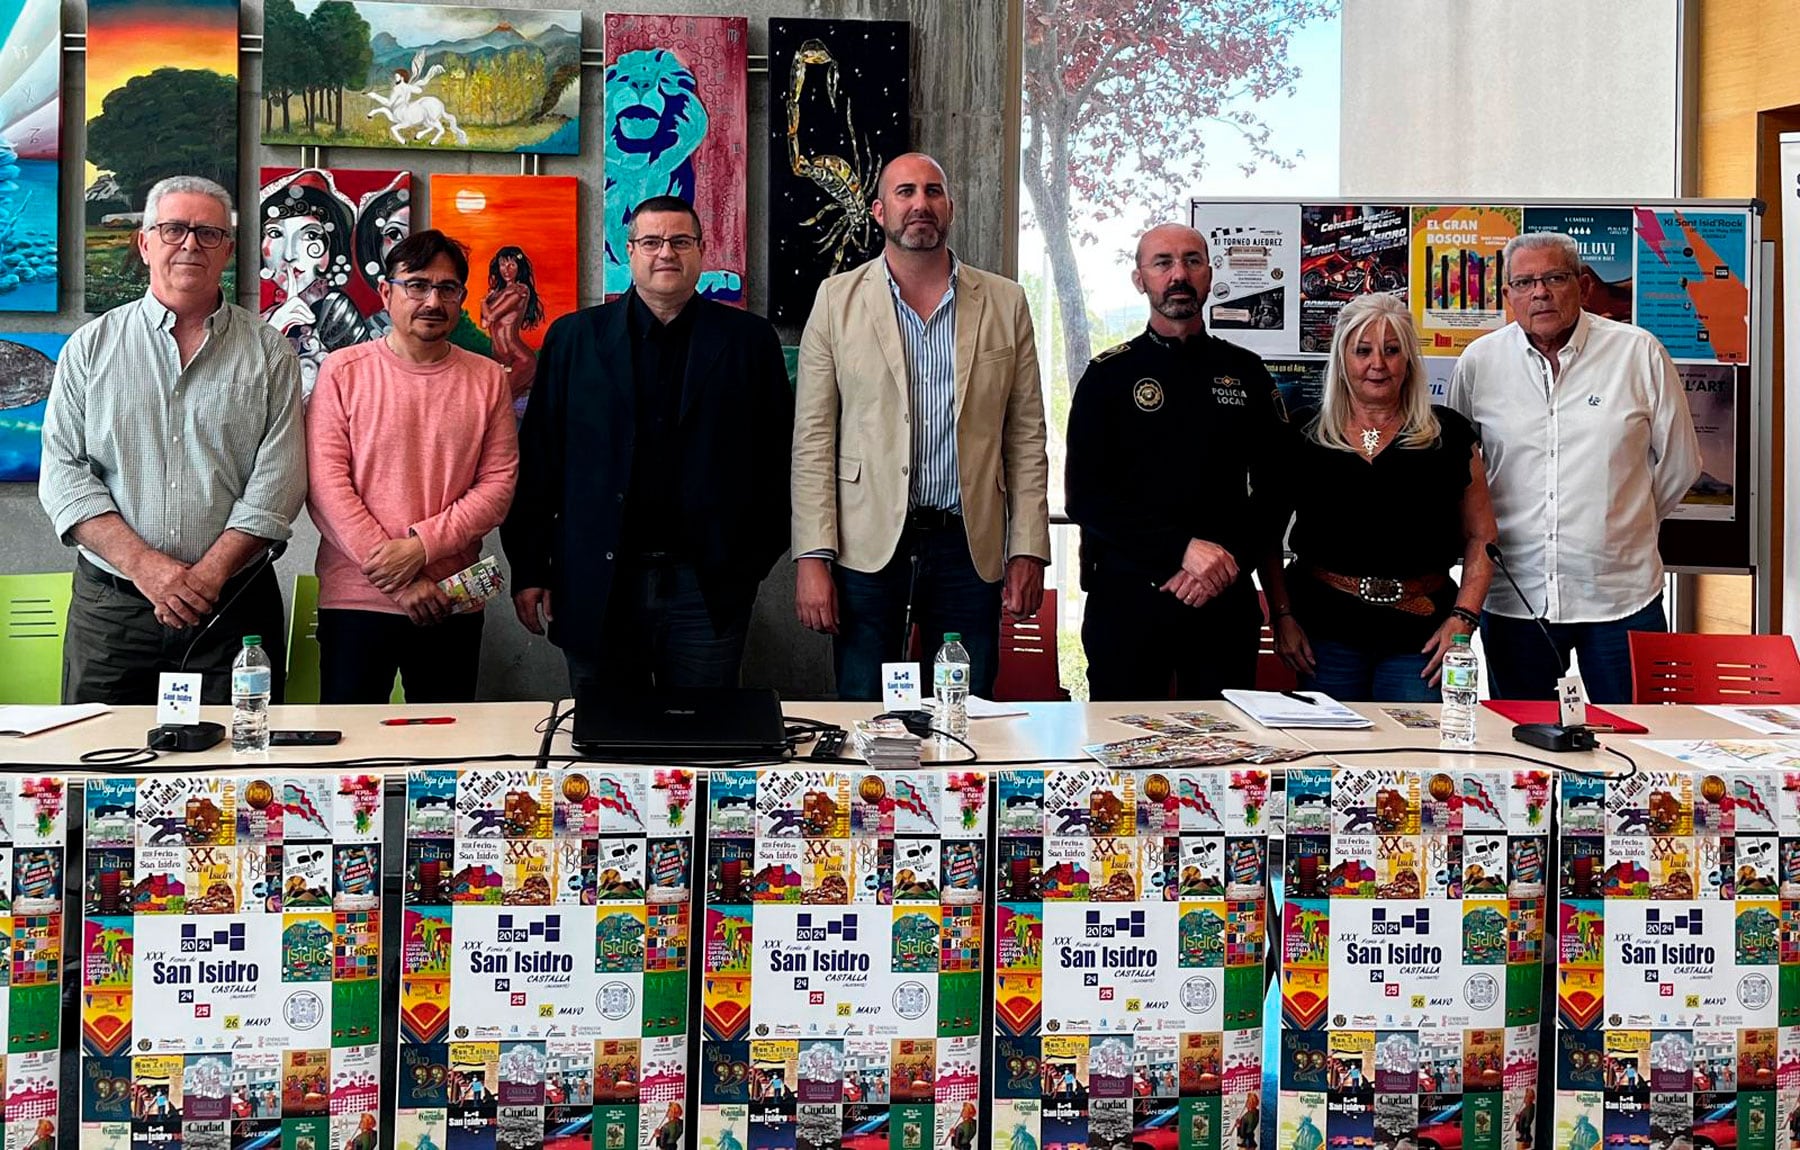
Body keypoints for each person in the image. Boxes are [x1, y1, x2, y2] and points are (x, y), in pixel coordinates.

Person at [503, 195, 792, 695]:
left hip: (707, 587)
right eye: (652, 242)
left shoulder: (749, 341)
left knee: (705, 749)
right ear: (630, 252)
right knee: (606, 752)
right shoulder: (574, 339)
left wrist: (749, 566)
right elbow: (538, 465)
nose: (667, 254)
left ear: (702, 251)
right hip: (596, 583)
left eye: (681, 241)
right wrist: (530, 568)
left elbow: (779, 463)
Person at [792, 152, 1051, 699]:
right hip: (866, 547)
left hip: (968, 544)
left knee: (968, 714)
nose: (920, 205)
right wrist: (813, 557)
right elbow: (813, 439)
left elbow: (1026, 436)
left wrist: (1028, 548)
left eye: (933, 192)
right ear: (879, 210)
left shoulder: (1005, 302)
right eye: (905, 193)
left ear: (950, 208)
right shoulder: (836, 300)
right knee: (865, 711)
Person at [39, 175, 305, 705]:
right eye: (173, 229)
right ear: (144, 242)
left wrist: (207, 575)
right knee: (98, 770)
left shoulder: (270, 353)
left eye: (208, 233)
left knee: (236, 772)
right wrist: (149, 569)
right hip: (114, 613)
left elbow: (278, 483)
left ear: (228, 250)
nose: (189, 244)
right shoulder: (89, 349)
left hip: (234, 609)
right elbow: (64, 477)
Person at [1449, 231, 1699, 703]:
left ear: (1583, 287)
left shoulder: (1638, 353)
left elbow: (1681, 463)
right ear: (1507, 295)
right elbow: (1463, 472)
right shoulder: (1480, 362)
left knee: (1632, 748)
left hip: (1621, 594)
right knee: (1526, 753)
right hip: (1517, 597)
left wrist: (1623, 521)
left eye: (1554, 278)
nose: (1539, 292)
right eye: (1523, 283)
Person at [1064, 223, 1286, 700]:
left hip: (1223, 600)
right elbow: (1085, 497)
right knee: (1122, 753)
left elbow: (1277, 489)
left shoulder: (1246, 372)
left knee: (1228, 759)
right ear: (1139, 279)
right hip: (1128, 599)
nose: (1178, 275)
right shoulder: (1108, 377)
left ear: (1210, 275)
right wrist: (1181, 551)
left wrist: (1226, 563)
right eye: (1162, 263)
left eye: (1192, 261)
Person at [304, 229, 518, 704]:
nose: (432, 301)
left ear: (462, 298)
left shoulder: (486, 378)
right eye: (417, 285)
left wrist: (421, 549)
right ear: (387, 292)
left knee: (444, 753)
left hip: (450, 601)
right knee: (350, 756)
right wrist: (401, 579)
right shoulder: (342, 371)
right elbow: (326, 485)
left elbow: (498, 486)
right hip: (356, 600)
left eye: (447, 289)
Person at [1261, 293, 1497, 701]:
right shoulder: (1300, 433)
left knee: (1414, 756)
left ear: (1408, 361)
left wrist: (1464, 618)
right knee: (1331, 759)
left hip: (1421, 638)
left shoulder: (1450, 434)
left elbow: (1483, 536)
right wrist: (1281, 617)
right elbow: (1265, 535)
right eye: (1363, 351)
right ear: (1342, 359)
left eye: (1392, 351)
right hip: (1323, 635)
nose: (1377, 364)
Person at [258, 169, 374, 396]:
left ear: (333, 248)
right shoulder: (261, 319)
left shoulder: (335, 310)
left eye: (310, 235)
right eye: (275, 233)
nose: (289, 255)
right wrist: (277, 324)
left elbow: (366, 392)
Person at [480, 244, 544, 401]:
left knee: (497, 402)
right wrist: (490, 301)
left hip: (520, 359)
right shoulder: (499, 293)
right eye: (502, 264)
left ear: (519, 267)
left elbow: (491, 317)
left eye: (511, 264)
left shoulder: (521, 290)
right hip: (501, 362)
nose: (506, 269)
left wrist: (483, 302)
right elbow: (484, 324)